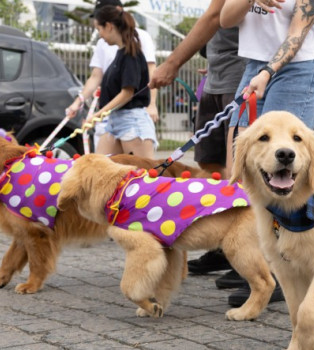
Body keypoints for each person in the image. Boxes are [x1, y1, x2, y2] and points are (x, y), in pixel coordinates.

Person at [148, 0, 283, 306]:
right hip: (215, 74)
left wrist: (171, 63)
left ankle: (255, 255)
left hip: (244, 72)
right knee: (210, 166)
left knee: (240, 170)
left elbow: (213, 17)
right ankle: (225, 245)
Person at [220, 0, 314, 179]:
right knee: (238, 169)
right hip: (255, 65)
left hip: (300, 67)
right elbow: (225, 20)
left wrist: (267, 72)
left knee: (282, 164)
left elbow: (297, 32)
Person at [66, 0, 158, 152]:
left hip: (132, 123)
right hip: (114, 121)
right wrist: (80, 103)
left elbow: (127, 94)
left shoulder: (131, 54)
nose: (100, 35)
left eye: (99, 29)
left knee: (142, 175)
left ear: (109, 26)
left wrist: (96, 116)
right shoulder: (119, 53)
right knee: (101, 171)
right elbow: (96, 77)